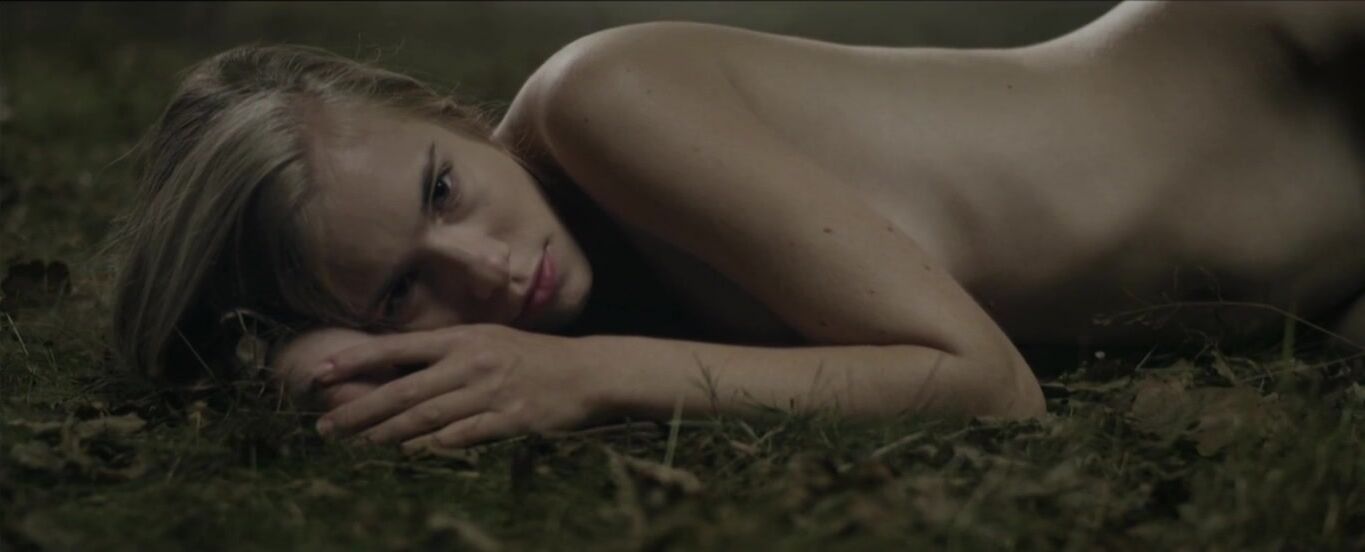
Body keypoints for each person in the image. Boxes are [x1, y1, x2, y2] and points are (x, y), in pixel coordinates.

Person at [110, 1, 1364, 451]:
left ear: (453, 116)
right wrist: (303, 357)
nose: (487, 271)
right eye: (400, 293)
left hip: (1296, 61)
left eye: (443, 191)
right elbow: (305, 374)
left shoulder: (605, 100)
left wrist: (584, 378)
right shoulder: (592, 270)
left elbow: (987, 385)